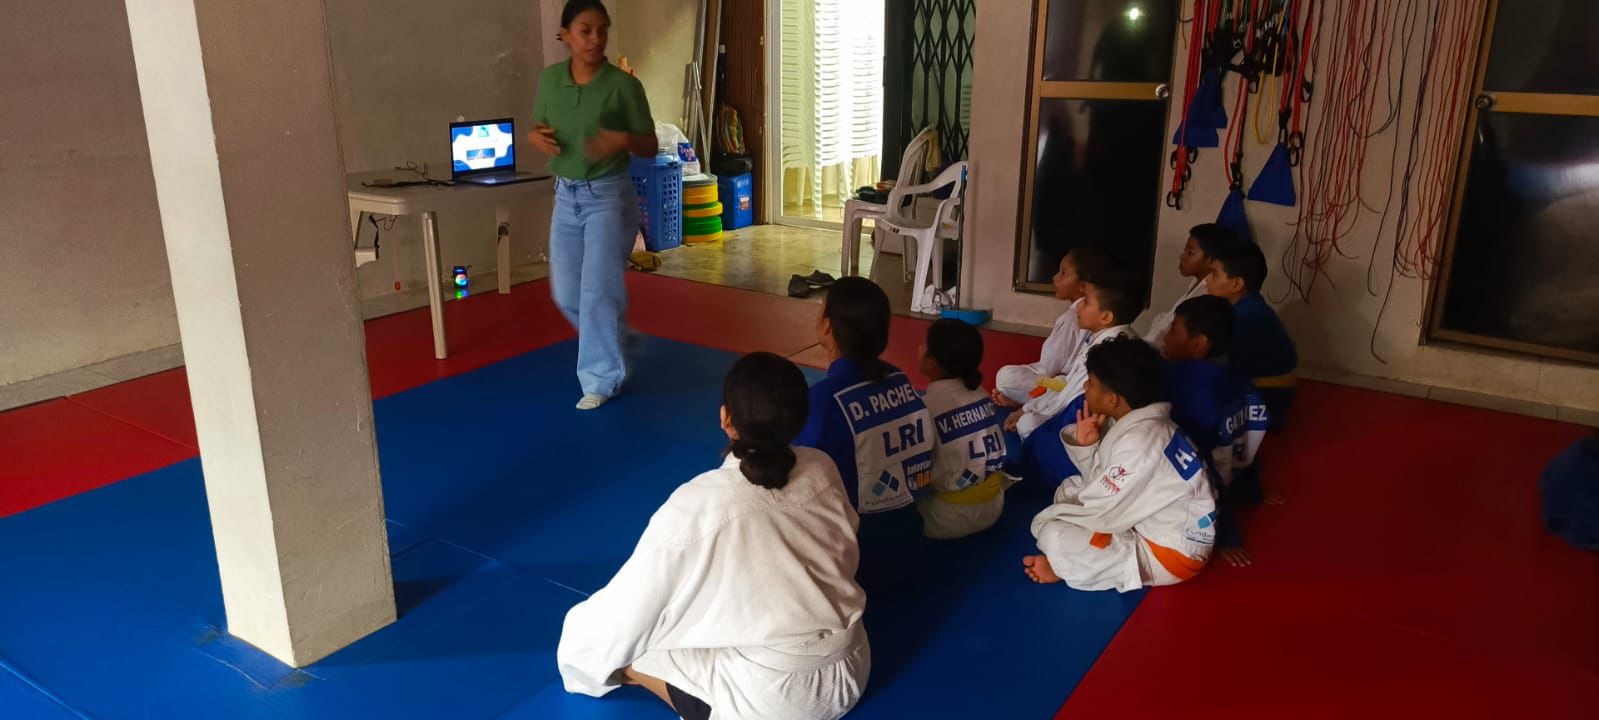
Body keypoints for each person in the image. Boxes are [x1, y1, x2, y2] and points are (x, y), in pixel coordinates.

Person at [557, 352, 870, 720]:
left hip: (776, 704)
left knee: (639, 642)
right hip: (854, 667)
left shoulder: (699, 504)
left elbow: (627, 612)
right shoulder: (822, 467)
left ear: (726, 419)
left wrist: (575, 655)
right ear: (800, 417)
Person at [530, 0, 659, 410]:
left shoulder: (624, 87)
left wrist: (621, 139)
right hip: (565, 196)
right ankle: (620, 341)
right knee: (566, 292)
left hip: (608, 197)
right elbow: (539, 127)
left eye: (602, 30)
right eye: (585, 30)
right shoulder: (551, 80)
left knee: (597, 292)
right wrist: (536, 138)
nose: (596, 39)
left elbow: (650, 145)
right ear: (565, 35)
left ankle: (601, 380)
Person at [1023, 337, 1217, 592]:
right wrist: (1087, 447)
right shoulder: (1148, 426)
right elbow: (1102, 481)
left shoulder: (1140, 443)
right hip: (1148, 519)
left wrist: (1047, 519)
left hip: (1168, 553)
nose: (1084, 386)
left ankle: (1064, 566)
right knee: (1070, 487)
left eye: (1090, 382)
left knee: (1054, 535)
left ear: (1112, 399)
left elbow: (1102, 510)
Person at [796, 277, 933, 595]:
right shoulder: (900, 379)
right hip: (911, 540)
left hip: (855, 557)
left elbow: (795, 479)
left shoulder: (822, 401)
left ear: (827, 325)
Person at [1160, 296, 1268, 567]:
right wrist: (1253, 489)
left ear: (1198, 344)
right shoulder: (1239, 378)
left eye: (1173, 330)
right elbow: (1248, 437)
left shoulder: (1184, 383)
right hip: (1231, 472)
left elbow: (1200, 463)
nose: (1165, 337)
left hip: (1206, 490)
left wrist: (1226, 534)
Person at [1006, 269, 1142, 441]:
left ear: (1106, 317)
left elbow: (1070, 401)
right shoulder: (1102, 338)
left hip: (1082, 422)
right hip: (1064, 398)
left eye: (1086, 301)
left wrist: (1027, 412)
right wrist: (1026, 408)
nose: (1078, 306)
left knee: (1028, 423)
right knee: (1050, 389)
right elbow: (1066, 385)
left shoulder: (1111, 350)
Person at [918, 319, 1010, 539]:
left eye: (924, 345)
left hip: (946, 519)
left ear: (932, 362)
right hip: (994, 507)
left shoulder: (925, 407)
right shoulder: (982, 394)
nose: (919, 348)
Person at [992, 247, 1107, 408]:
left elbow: (1049, 369)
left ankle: (1029, 402)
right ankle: (1030, 400)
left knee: (1005, 377)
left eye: (1063, 273)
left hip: (1060, 385)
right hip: (1062, 382)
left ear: (1082, 285)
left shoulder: (1071, 319)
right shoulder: (1091, 318)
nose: (1055, 277)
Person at [1205, 243, 1298, 427]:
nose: (1207, 280)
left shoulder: (1245, 316)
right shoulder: (1250, 305)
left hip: (1266, 398)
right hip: (1273, 390)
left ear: (1236, 284)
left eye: (1214, 274)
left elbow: (1217, 363)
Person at [1142, 224, 1244, 350]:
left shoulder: (1208, 294)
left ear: (1212, 260)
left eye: (1190, 253)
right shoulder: (1195, 281)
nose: (1182, 257)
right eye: (1185, 250)